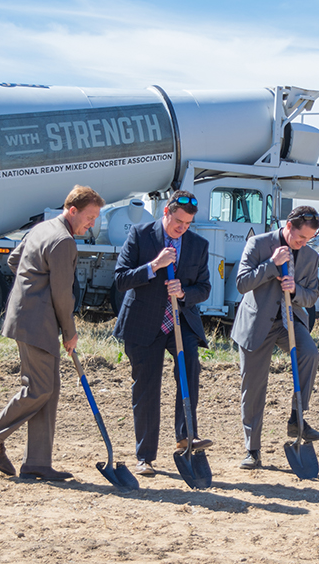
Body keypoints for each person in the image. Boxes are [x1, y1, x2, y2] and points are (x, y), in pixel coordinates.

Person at [0, 185, 105, 480]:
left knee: (48, 389)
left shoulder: (42, 229)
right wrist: (70, 332)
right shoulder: (63, 242)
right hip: (38, 322)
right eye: (89, 217)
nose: (92, 223)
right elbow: (62, 294)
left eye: (95, 218)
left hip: (29, 318)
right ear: (72, 211)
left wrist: (31, 288)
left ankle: (37, 462)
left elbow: (14, 261)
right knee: (39, 388)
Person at [113, 190, 212, 477]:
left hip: (180, 321)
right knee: (147, 388)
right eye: (178, 222)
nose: (182, 229)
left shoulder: (198, 245)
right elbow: (120, 279)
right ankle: (145, 456)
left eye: (188, 224)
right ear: (166, 213)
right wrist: (154, 266)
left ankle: (186, 435)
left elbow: (204, 288)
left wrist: (183, 292)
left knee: (190, 366)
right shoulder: (141, 235)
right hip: (144, 323)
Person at [231, 205, 319, 470]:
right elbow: (242, 283)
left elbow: (312, 294)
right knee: (254, 387)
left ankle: (297, 418)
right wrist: (272, 265)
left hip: (288, 321)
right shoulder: (258, 244)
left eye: (307, 239)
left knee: (309, 354)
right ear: (288, 226)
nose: (302, 243)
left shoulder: (309, 256)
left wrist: (295, 291)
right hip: (257, 322)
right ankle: (253, 450)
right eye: (299, 238)